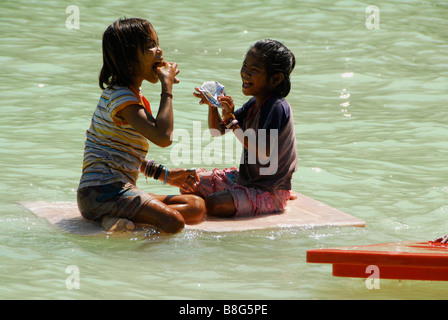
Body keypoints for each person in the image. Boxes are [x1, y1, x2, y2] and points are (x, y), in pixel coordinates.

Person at [77, 18, 206, 233]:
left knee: (196, 207)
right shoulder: (121, 98)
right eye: (150, 46)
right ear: (128, 61)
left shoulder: (132, 95)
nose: (159, 50)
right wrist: (167, 88)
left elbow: (124, 153)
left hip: (118, 191)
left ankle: (114, 217)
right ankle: (138, 257)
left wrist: (168, 175)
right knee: (173, 222)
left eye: (157, 42)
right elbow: (163, 137)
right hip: (101, 191)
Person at [191, 39, 298, 217]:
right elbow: (216, 131)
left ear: (276, 78)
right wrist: (213, 105)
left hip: (268, 191)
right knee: (191, 183)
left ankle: (283, 194)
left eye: (254, 70)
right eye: (244, 67)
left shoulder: (277, 107)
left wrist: (232, 121)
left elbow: (263, 153)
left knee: (213, 204)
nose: (245, 74)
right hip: (247, 180)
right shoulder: (253, 104)